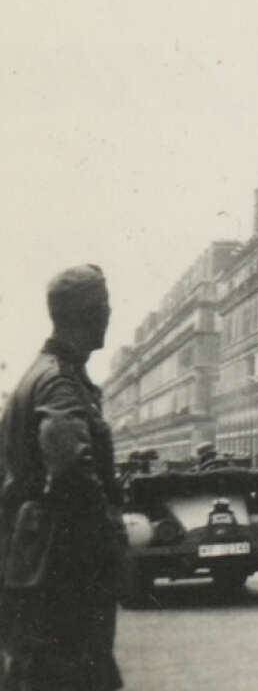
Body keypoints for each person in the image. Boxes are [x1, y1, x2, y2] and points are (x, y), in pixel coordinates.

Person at [0, 264, 124, 690]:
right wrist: (106, 536)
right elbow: (71, 472)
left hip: (36, 561)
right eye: (105, 306)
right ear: (88, 313)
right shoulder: (59, 384)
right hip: (64, 572)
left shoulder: (39, 375)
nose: (110, 314)